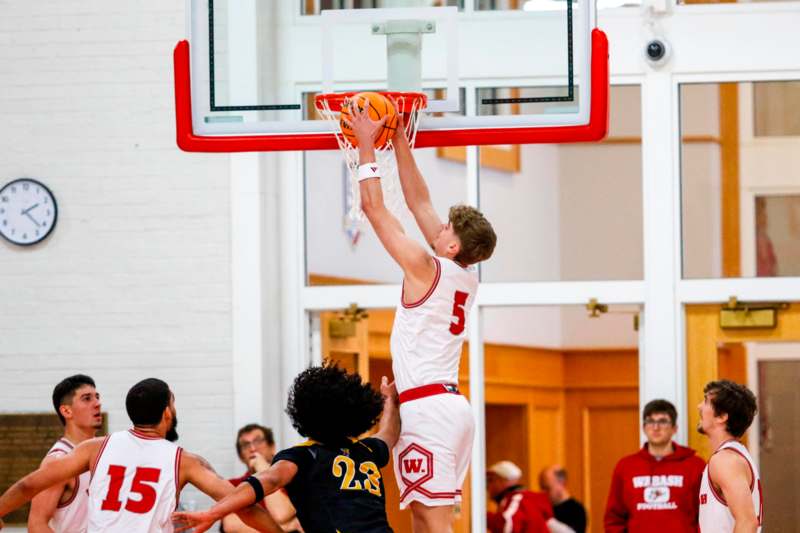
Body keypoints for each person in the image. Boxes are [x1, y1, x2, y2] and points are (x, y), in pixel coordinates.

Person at [349, 96, 496, 533]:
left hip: (428, 410)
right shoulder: (465, 274)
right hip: (449, 407)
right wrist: (398, 138)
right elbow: (419, 202)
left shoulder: (425, 266)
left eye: (447, 229)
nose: (439, 226)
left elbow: (377, 211)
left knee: (432, 522)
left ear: (451, 246)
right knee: (425, 518)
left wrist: (365, 146)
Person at [0, 378, 279, 533]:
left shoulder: (93, 448)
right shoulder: (185, 461)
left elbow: (28, 485)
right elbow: (244, 505)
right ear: (167, 412)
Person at [172, 362, 400, 533]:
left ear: (303, 413)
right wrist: (390, 401)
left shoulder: (304, 456)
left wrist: (212, 512)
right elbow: (389, 432)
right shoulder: (367, 450)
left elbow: (266, 481)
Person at [604, 399, 706, 533]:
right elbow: (614, 518)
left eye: (663, 421)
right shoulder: (625, 467)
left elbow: (705, 515)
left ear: (674, 428)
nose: (655, 427)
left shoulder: (695, 466)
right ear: (643, 427)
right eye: (650, 421)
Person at [27, 375, 103, 533]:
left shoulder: (105, 451)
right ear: (66, 411)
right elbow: (36, 525)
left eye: (97, 397)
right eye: (87, 398)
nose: (97, 404)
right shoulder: (57, 459)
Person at [697, 380, 762, 532]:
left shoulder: (725, 460)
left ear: (721, 417)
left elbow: (747, 523)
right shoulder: (732, 455)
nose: (699, 406)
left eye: (706, 401)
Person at [222, 424, 301, 532]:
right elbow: (230, 524)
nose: (253, 448)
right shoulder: (233, 485)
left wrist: (263, 470)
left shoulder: (292, 479)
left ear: (272, 447)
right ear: (241, 456)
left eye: (258, 441)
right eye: (245, 445)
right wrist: (285, 528)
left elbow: (281, 514)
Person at [486, 461, 575, 533]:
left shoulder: (518, 498)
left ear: (504, 480)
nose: (487, 486)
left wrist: (481, 515)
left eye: (491, 480)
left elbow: (507, 526)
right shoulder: (528, 498)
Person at [539, 466, 587, 533]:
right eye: (542, 488)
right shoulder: (542, 508)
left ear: (561, 484)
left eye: (547, 488)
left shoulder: (577, 510)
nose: (543, 492)